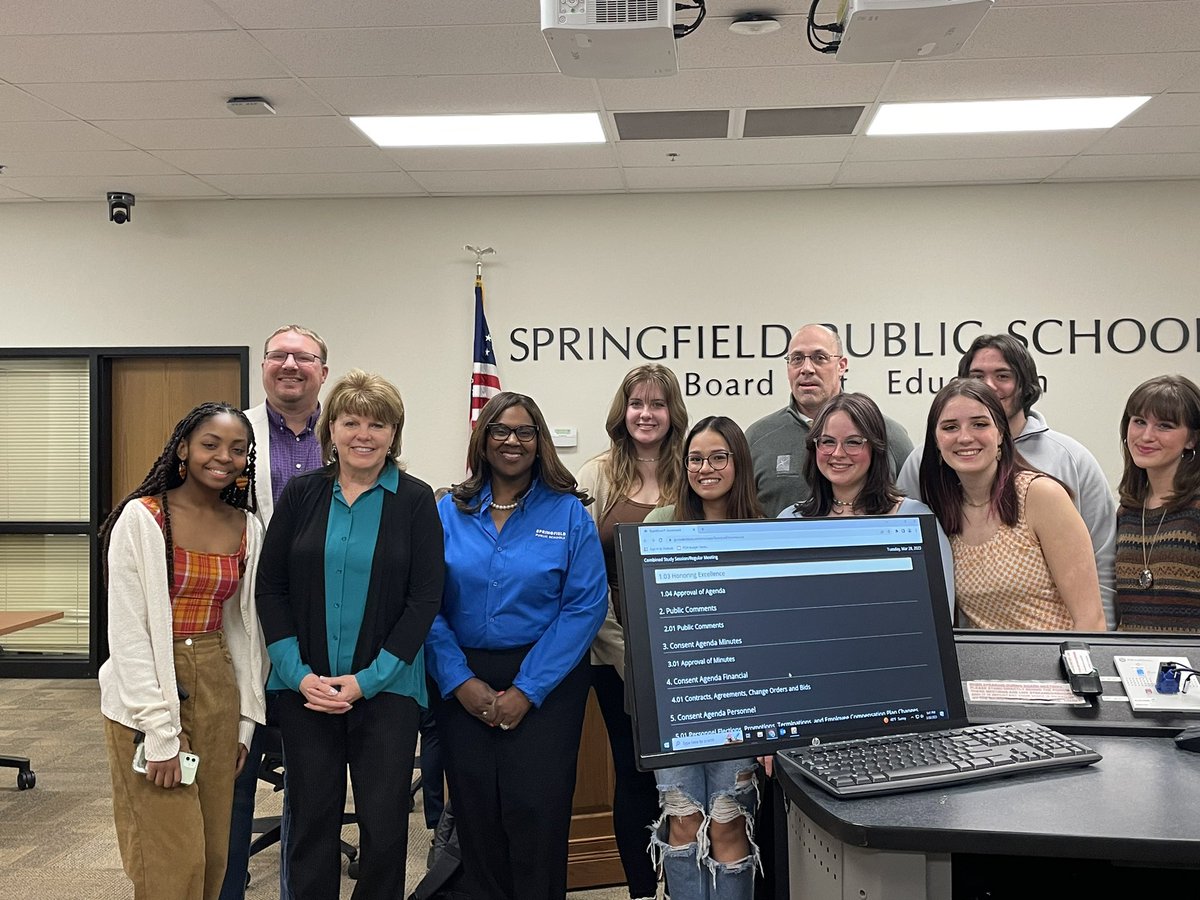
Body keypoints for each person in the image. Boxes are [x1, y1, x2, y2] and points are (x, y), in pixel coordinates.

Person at [256, 369, 444, 900]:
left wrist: (370, 679)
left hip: (387, 691)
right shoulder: (301, 495)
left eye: (377, 424)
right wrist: (297, 674)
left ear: (394, 434)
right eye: (351, 421)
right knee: (310, 819)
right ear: (330, 429)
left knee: (384, 826)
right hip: (305, 690)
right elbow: (270, 589)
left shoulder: (414, 499)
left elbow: (424, 599)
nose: (364, 434)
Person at [425, 391, 608, 900]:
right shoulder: (447, 511)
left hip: (547, 680)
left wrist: (526, 690)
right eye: (500, 430)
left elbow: (584, 607)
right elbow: (425, 603)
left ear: (540, 442)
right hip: (461, 677)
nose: (512, 440)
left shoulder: (569, 513)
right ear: (482, 439)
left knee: (538, 814)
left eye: (525, 432)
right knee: (476, 813)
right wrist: (459, 681)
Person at [99, 402, 266, 900]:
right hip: (149, 684)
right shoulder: (143, 518)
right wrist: (160, 732)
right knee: (172, 858)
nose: (224, 458)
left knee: (215, 855)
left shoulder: (247, 527)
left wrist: (245, 720)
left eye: (238, 449)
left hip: (218, 683)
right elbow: (128, 634)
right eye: (210, 445)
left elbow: (245, 629)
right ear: (183, 449)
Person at [897, 333, 1118, 626]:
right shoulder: (943, 501)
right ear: (935, 442)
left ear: (1001, 434)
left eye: (979, 424)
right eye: (950, 427)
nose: (965, 437)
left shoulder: (1041, 494)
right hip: (987, 666)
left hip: (1056, 666)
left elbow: (1091, 618)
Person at [223, 323, 329, 900]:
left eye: (304, 357)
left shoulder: (342, 433)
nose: (291, 365)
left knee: (312, 784)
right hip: (245, 625)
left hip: (319, 628)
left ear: (323, 371)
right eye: (279, 356)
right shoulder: (233, 434)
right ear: (263, 365)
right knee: (235, 772)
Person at [576, 364, 689, 900]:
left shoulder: (693, 471)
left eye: (658, 404)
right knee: (634, 777)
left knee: (685, 781)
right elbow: (580, 574)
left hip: (686, 656)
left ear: (674, 414)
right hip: (611, 653)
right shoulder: (596, 476)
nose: (647, 414)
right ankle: (643, 891)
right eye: (637, 403)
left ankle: (688, 879)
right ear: (623, 411)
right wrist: (626, 653)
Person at [645, 415, 764, 900]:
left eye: (718, 457)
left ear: (738, 462)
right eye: (696, 458)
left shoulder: (762, 532)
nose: (706, 468)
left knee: (727, 822)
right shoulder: (659, 525)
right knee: (681, 817)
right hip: (677, 704)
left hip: (741, 706)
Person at [781, 392, 955, 605]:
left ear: (876, 447)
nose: (837, 453)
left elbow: (939, 614)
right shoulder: (789, 520)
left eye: (853, 442)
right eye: (827, 442)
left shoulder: (916, 519)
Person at [747, 324, 913, 517]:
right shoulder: (758, 437)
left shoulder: (887, 433)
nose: (806, 369)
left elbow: (912, 509)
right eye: (797, 359)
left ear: (841, 366)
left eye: (819, 358)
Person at [1114, 375, 1200, 631]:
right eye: (1139, 422)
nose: (1147, 436)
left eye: (1164, 426)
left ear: (1192, 439)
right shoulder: (1127, 511)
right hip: (1130, 665)